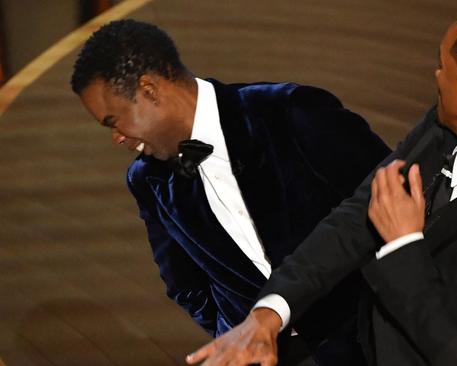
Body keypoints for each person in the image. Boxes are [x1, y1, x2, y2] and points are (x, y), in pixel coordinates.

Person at [185, 10, 457, 366]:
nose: (435, 75)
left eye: (443, 65)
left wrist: (403, 244)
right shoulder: (444, 125)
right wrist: (270, 312)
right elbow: (356, 217)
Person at [70, 19, 391, 365]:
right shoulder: (147, 180)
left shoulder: (290, 111)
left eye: (113, 121)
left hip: (371, 342)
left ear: (149, 90)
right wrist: (240, 334)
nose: (117, 137)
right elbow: (185, 286)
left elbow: (394, 201)